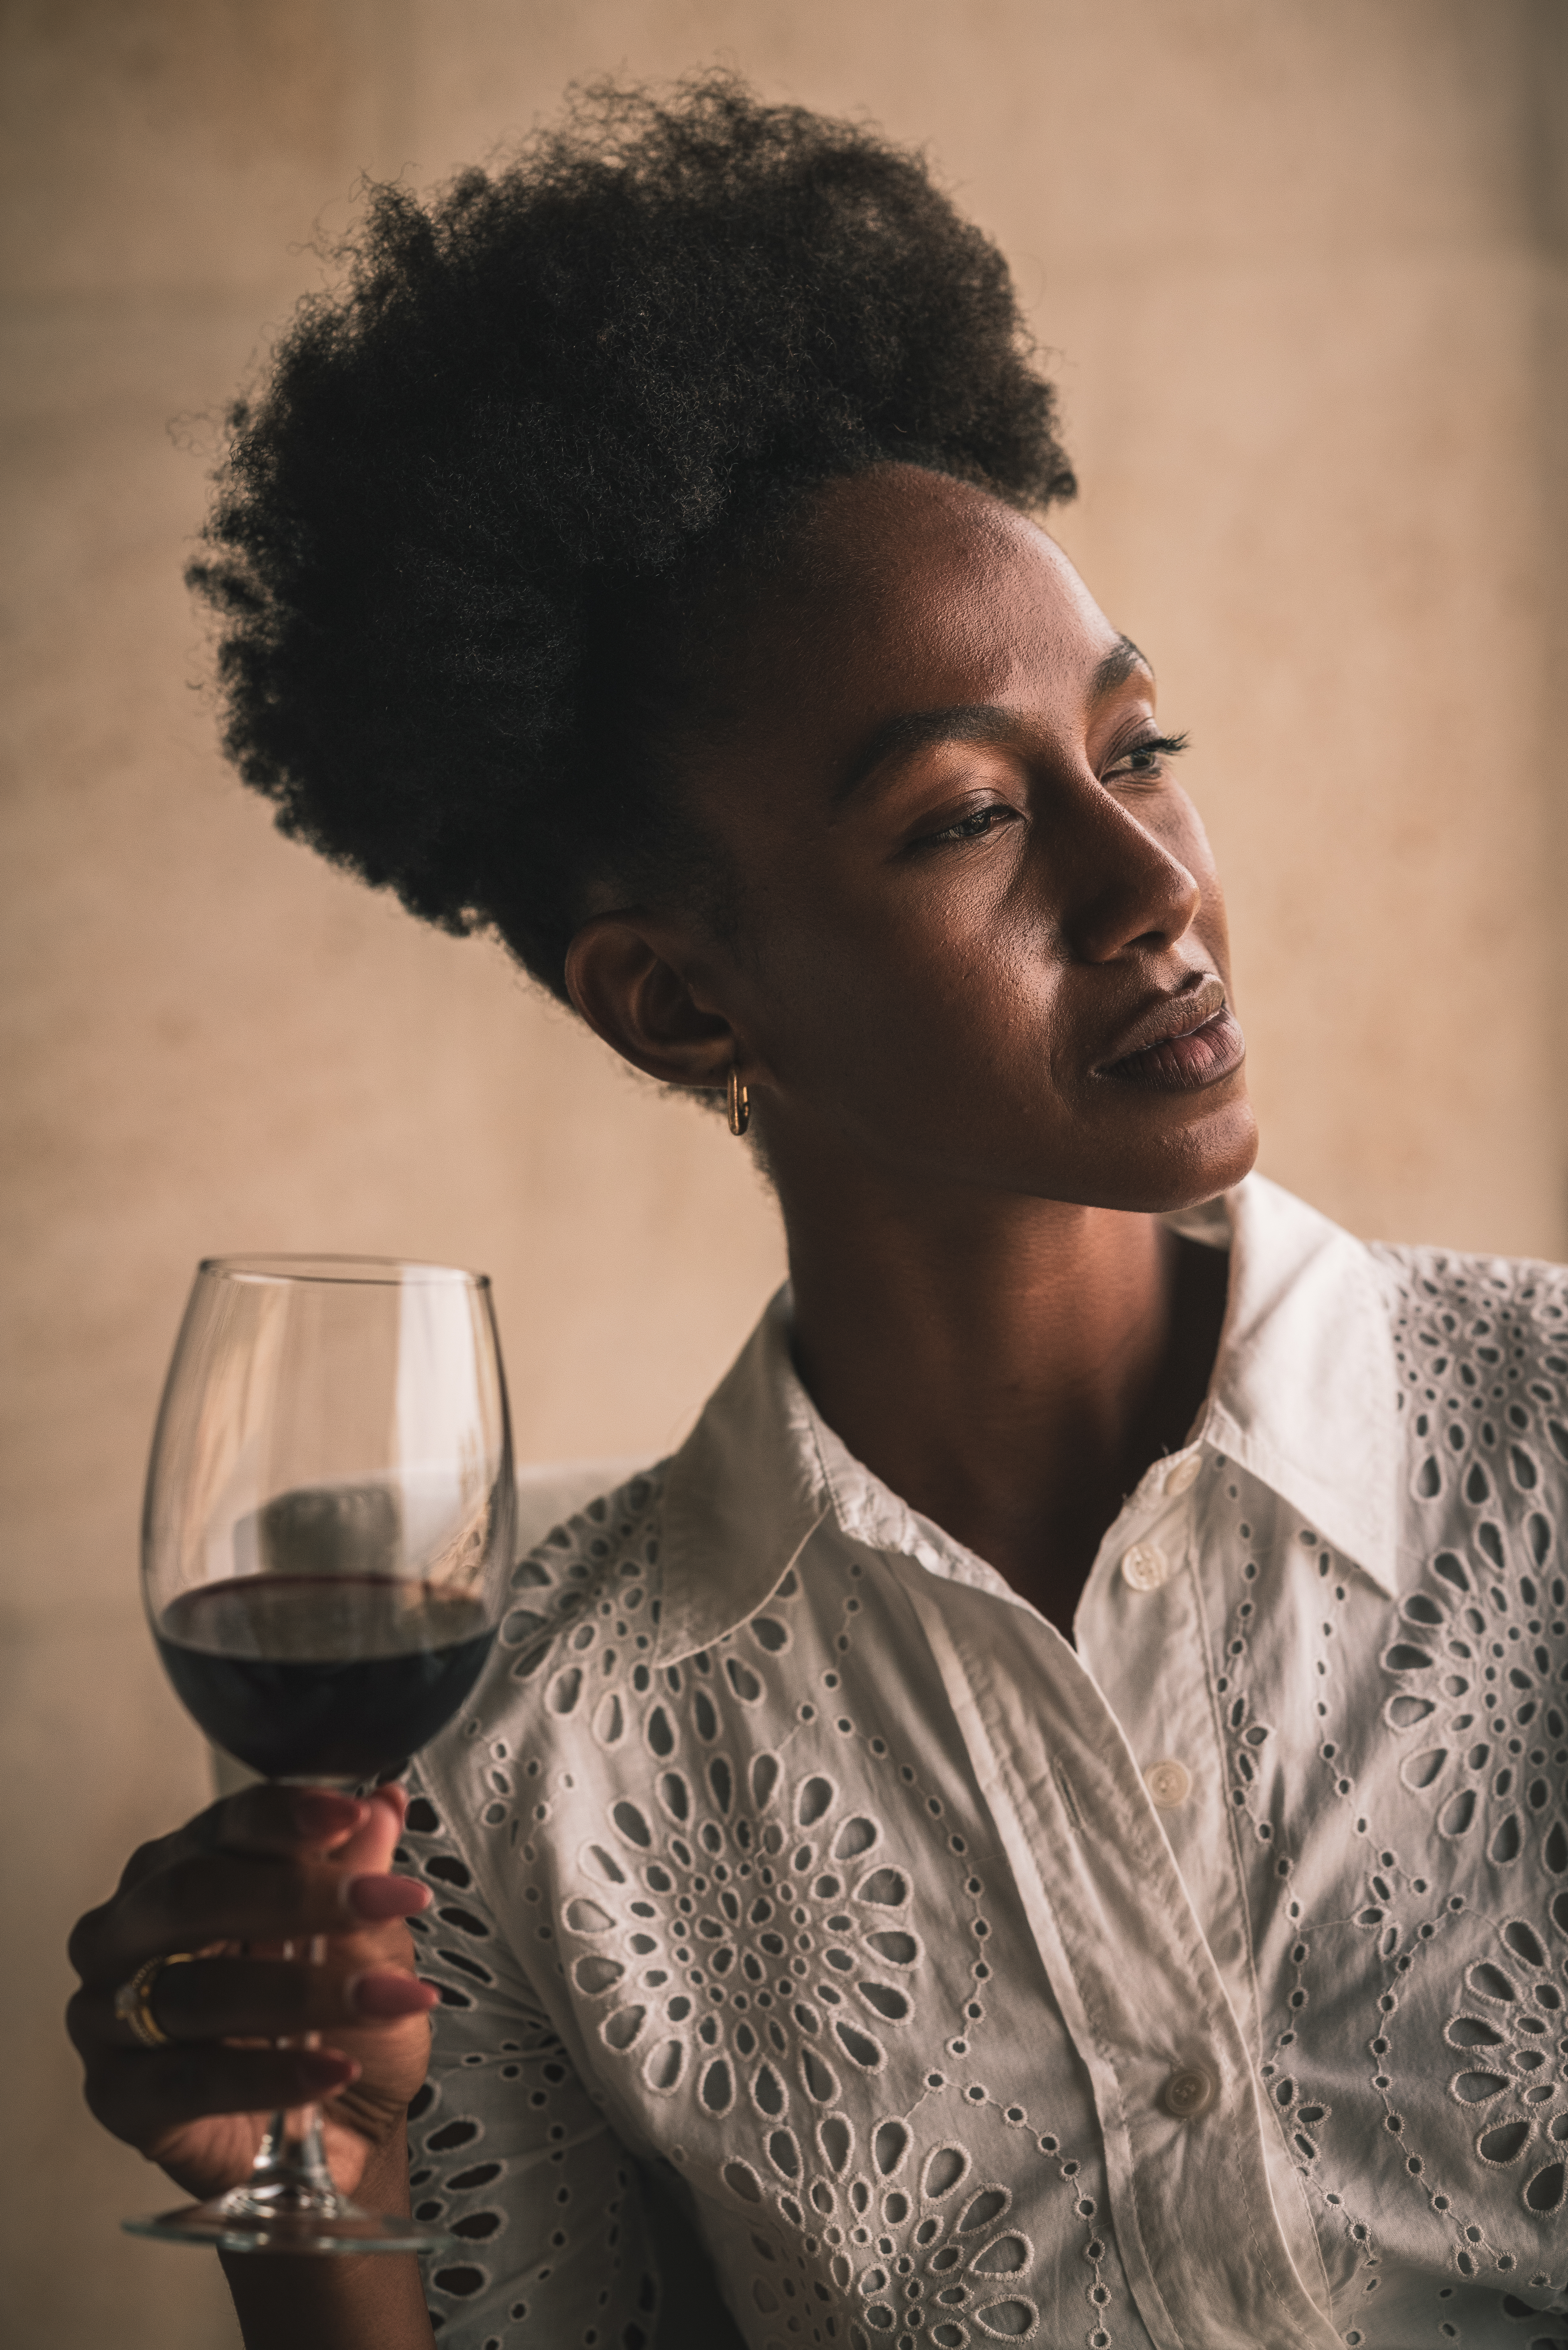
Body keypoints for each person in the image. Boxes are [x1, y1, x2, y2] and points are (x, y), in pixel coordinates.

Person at [67, 74, 1568, 2350]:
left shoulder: (1542, 1444)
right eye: (967, 817)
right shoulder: (505, 1756)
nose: (1156, 882)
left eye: (1138, 746)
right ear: (675, 997)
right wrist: (322, 2189)